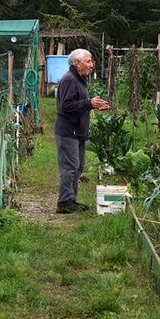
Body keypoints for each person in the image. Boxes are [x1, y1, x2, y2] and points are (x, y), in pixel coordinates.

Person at [55, 49, 110, 213]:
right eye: (88, 61)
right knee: (70, 167)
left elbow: (78, 104)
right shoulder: (69, 80)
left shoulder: (79, 79)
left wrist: (93, 106)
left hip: (77, 130)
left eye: (91, 61)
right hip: (68, 131)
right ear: (77, 63)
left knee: (78, 167)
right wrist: (88, 103)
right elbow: (66, 106)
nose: (91, 65)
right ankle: (64, 203)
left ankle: (71, 201)